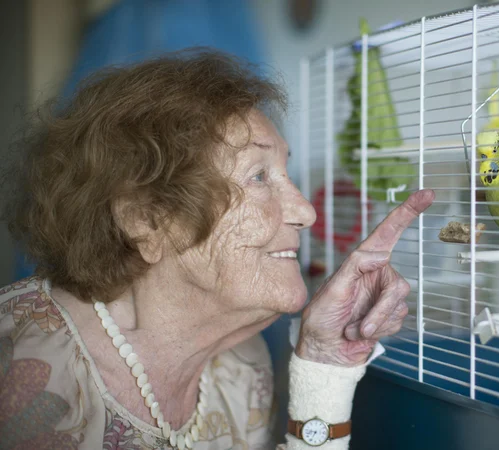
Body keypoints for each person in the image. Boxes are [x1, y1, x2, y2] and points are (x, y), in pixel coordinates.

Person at [0, 50, 433, 450]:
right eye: (259, 177)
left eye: (285, 172)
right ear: (146, 219)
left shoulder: (243, 369)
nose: (305, 211)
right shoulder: (20, 358)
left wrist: (323, 365)